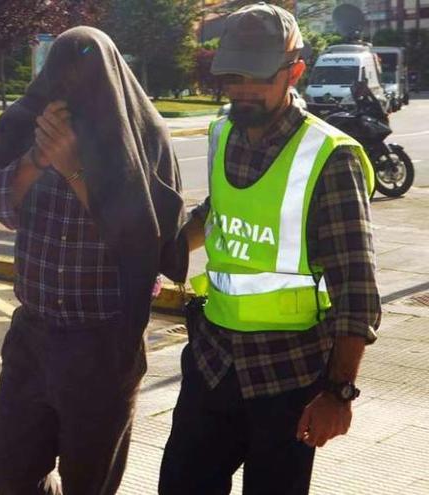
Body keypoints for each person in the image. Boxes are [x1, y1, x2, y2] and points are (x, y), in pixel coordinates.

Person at [159, 4, 381, 494]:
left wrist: (338, 392)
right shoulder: (222, 133)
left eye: (257, 75)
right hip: (212, 362)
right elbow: (215, 212)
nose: (242, 88)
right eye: (233, 74)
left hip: (289, 376)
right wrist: (167, 251)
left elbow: (357, 291)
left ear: (294, 70)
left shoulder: (329, 158)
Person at [0, 27, 186, 494]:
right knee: (9, 465)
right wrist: (36, 158)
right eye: (59, 81)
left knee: (89, 481)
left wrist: (73, 168)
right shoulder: (25, 126)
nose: (68, 94)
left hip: (103, 342)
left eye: (83, 82)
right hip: (33, 334)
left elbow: (147, 243)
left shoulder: (143, 136)